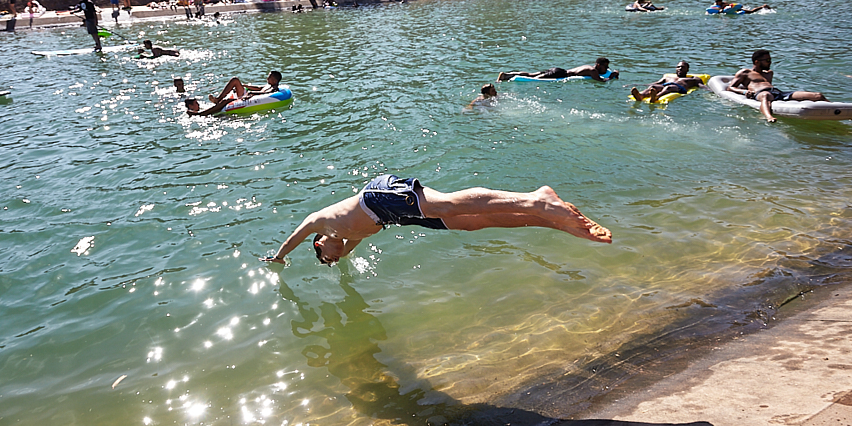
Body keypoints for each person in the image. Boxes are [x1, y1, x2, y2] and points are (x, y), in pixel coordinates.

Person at [260, 174, 612, 265]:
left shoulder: (320, 225)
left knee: (447, 205)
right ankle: (552, 221)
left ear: (320, 245)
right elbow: (347, 254)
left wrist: (279, 257)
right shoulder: (351, 242)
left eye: (327, 258)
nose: (334, 260)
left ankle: (536, 200)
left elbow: (296, 235)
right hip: (395, 217)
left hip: (377, 197)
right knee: (472, 222)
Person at [727, 49, 826, 123]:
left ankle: (836, 109)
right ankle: (769, 117)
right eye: (767, 60)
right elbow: (730, 87)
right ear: (757, 61)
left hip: (777, 92)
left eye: (770, 60)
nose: (770, 62)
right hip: (761, 93)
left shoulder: (769, 73)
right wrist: (744, 92)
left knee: (818, 95)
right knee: (766, 95)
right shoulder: (745, 72)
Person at [185, 71, 283, 116]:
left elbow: (265, 93)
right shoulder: (268, 85)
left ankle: (201, 114)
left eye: (269, 77)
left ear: (274, 80)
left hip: (250, 97)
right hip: (247, 94)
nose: (267, 78)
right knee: (235, 80)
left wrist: (251, 93)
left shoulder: (273, 87)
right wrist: (246, 86)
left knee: (226, 101)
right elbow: (259, 88)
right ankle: (217, 100)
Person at [631, 61, 705, 102]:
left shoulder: (693, 78)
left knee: (669, 87)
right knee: (653, 87)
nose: (680, 69)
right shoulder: (668, 77)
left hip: (679, 88)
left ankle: (656, 97)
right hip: (665, 85)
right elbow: (655, 83)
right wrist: (636, 84)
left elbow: (702, 86)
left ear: (687, 69)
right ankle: (641, 96)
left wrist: (712, 91)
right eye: (678, 67)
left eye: (682, 67)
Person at [498, 58, 618, 83]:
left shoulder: (589, 66)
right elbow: (601, 82)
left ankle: (507, 75)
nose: (606, 69)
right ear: (598, 65)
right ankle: (508, 77)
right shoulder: (593, 71)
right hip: (559, 74)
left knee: (532, 74)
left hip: (559, 70)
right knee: (532, 78)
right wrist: (612, 76)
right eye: (605, 66)